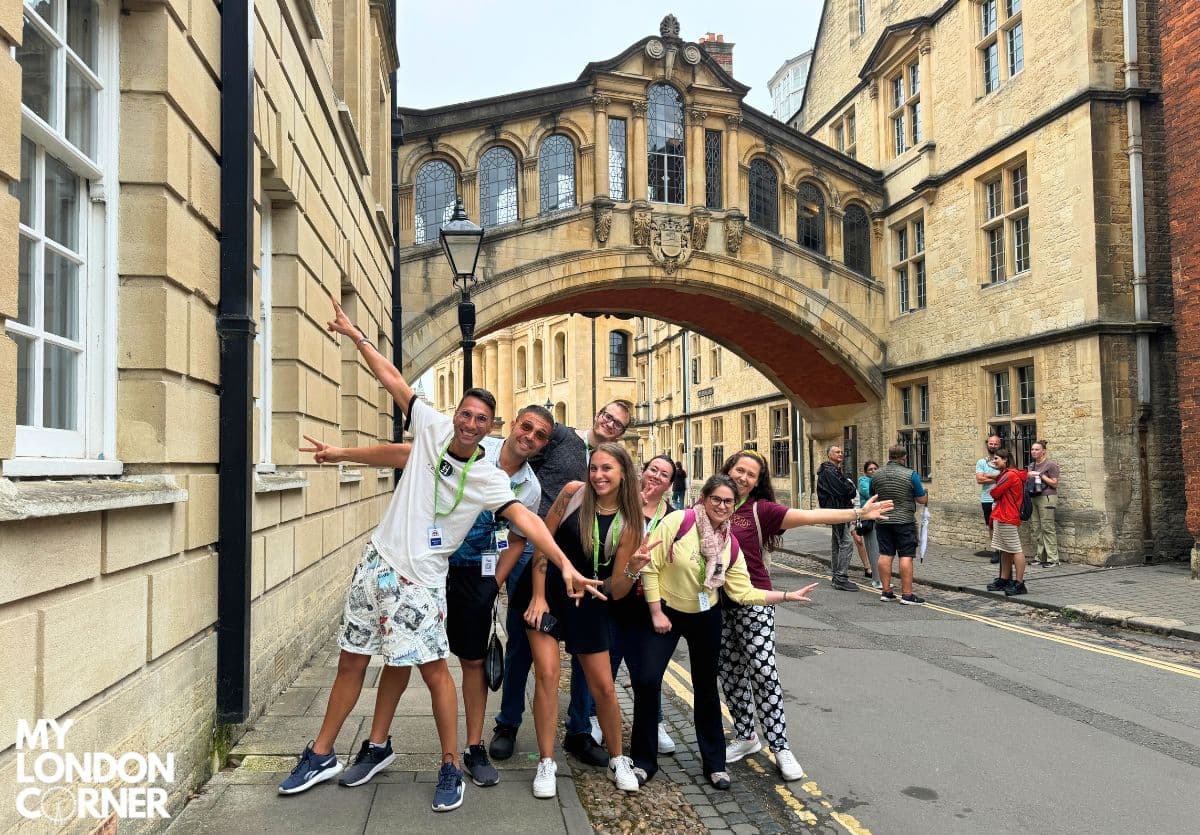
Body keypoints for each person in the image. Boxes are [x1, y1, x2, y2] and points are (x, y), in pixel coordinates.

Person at [277, 296, 598, 813]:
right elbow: (393, 383)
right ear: (458, 416)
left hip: (426, 579)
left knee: (435, 670)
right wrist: (354, 338)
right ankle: (323, 752)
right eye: (466, 414)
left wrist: (562, 564)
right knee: (352, 662)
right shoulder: (430, 428)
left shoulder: (495, 479)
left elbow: (527, 524)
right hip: (377, 563)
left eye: (481, 419)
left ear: (490, 428)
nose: (471, 424)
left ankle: (453, 763)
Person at [298, 404, 555, 790]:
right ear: (513, 424)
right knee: (400, 656)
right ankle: (377, 744)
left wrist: (494, 583)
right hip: (427, 565)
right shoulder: (474, 443)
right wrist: (341, 454)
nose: (529, 438)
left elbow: (518, 539)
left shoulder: (529, 487)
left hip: (474, 576)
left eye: (539, 436)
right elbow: (406, 454)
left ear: (543, 446)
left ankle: (472, 748)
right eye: (526, 428)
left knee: (471, 663)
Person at [632, 475, 820, 790]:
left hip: (706, 615)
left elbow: (743, 592)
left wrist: (786, 597)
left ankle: (715, 765)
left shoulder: (729, 544)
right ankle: (643, 762)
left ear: (734, 507)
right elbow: (650, 566)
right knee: (648, 680)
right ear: (704, 498)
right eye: (716, 499)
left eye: (728, 501)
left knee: (706, 689)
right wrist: (655, 612)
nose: (722, 505)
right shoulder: (679, 521)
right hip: (666, 611)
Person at [718, 450, 891, 781]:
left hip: (756, 600)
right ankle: (746, 737)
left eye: (751, 474)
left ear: (757, 482)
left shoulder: (761, 510)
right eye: (739, 470)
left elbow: (812, 516)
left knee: (764, 673)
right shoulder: (710, 504)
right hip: (717, 603)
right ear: (728, 470)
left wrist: (858, 512)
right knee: (730, 673)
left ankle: (780, 746)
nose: (743, 477)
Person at [490, 400, 635, 768]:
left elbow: (616, 584)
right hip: (536, 544)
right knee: (525, 650)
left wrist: (632, 569)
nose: (610, 423)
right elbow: (525, 450)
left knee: (590, 670)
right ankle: (507, 724)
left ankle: (579, 731)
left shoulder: (626, 517)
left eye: (619, 423)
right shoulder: (563, 438)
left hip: (584, 582)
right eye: (607, 416)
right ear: (597, 413)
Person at [514, 443, 647, 798]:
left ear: (623, 474)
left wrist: (633, 569)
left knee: (603, 686)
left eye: (607, 469)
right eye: (595, 468)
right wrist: (539, 596)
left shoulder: (631, 524)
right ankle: (545, 762)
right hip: (545, 589)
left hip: (588, 597)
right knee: (546, 675)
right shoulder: (573, 493)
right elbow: (543, 542)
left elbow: (616, 591)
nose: (599, 475)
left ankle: (618, 759)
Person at [588, 454, 679, 755]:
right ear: (642, 472)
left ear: (669, 484)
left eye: (664, 474)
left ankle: (654, 722)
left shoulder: (672, 516)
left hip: (650, 599)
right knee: (608, 661)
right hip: (617, 594)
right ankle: (596, 719)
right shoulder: (623, 505)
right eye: (653, 469)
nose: (656, 476)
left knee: (647, 669)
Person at [870, 444, 929, 605]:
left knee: (885, 554)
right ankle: (907, 594)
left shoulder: (876, 475)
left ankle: (886, 591)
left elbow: (872, 497)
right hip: (904, 521)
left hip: (883, 520)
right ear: (904, 458)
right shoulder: (911, 475)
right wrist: (925, 494)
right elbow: (922, 499)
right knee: (906, 556)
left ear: (889, 456)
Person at [985, 448, 1029, 595]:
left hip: (1007, 515)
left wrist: (994, 483)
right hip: (1002, 514)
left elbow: (995, 492)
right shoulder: (1006, 474)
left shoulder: (1009, 475)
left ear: (1005, 459)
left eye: (996, 458)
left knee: (1015, 549)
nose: (994, 461)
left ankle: (1020, 583)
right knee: (1005, 549)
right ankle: (1004, 579)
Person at [816, 444, 859, 591]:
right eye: (836, 452)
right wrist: (850, 487)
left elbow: (846, 488)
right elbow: (844, 490)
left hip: (838, 510)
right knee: (846, 543)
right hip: (837, 510)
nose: (840, 454)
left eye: (841, 452)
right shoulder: (829, 471)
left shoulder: (834, 470)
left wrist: (848, 487)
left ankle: (836, 575)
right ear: (829, 455)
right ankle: (841, 577)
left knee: (837, 543)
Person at [1027, 440, 1061, 566]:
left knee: (1047, 527)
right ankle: (1040, 556)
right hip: (1034, 497)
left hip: (1047, 497)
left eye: (1036, 449)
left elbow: (1055, 483)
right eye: (1032, 449)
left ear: (1043, 451)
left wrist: (1040, 475)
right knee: (1036, 528)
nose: (1033, 452)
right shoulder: (1031, 465)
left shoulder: (1051, 465)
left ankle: (1053, 559)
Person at [852, 461, 882, 589]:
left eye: (875, 468)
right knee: (873, 549)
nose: (873, 471)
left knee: (879, 550)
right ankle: (877, 580)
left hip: (878, 518)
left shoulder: (878, 481)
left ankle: (880, 578)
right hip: (868, 520)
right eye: (870, 469)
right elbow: (871, 495)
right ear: (865, 472)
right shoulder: (864, 481)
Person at [976, 434, 1003, 563]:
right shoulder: (981, 462)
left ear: (1000, 444)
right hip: (987, 498)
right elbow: (979, 479)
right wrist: (997, 477)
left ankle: (1005, 551)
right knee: (991, 526)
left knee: (1002, 525)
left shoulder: (1003, 461)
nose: (993, 446)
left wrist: (988, 476)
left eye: (995, 443)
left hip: (1002, 499)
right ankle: (996, 551)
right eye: (991, 443)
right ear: (987, 444)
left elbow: (1006, 477)